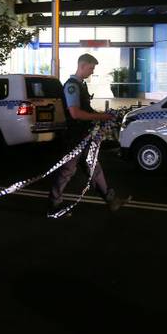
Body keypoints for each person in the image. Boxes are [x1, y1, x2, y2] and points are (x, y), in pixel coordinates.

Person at [48, 53, 131, 217]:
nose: (92, 72)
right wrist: (103, 117)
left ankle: (111, 200)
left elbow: (86, 110)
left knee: (94, 167)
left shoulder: (81, 85)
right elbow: (75, 113)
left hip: (84, 136)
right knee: (67, 171)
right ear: (82, 66)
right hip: (74, 137)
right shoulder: (72, 86)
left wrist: (103, 115)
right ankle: (54, 206)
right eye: (91, 68)